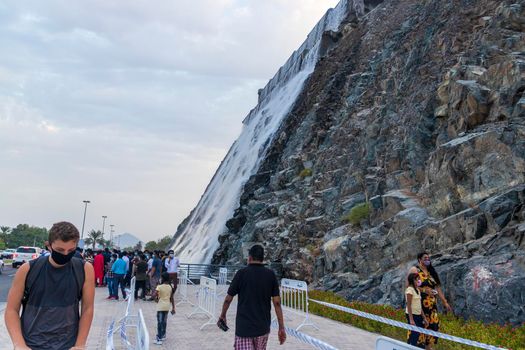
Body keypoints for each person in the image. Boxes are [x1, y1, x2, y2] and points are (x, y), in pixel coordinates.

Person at [5, 221, 95, 350]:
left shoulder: (84, 269)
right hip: (32, 343)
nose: (65, 254)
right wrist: (19, 344)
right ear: (49, 246)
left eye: (71, 250)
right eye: (60, 250)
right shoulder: (28, 269)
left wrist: (80, 344)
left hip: (68, 344)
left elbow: (87, 308)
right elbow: (11, 310)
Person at [219, 244, 286, 350]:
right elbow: (277, 303)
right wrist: (281, 327)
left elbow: (228, 299)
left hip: (244, 328)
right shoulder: (270, 275)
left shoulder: (241, 274)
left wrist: (223, 315)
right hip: (262, 328)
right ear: (262, 259)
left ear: (249, 258)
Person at [408, 252, 453, 349]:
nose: (428, 260)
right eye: (425, 258)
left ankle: (428, 347)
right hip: (419, 305)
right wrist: (424, 290)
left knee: (432, 327)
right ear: (419, 259)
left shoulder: (431, 272)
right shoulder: (415, 270)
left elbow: (438, 288)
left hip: (432, 307)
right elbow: (409, 287)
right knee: (419, 329)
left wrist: (445, 302)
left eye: (429, 258)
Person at [406, 272, 428, 348]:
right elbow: (408, 305)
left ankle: (411, 346)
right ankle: (410, 347)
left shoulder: (417, 290)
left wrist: (424, 317)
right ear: (413, 280)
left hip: (418, 315)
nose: (419, 280)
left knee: (417, 333)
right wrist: (411, 320)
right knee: (415, 333)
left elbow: (419, 305)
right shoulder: (409, 290)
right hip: (412, 315)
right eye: (417, 279)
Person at [154, 272, 176, 345]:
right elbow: (172, 298)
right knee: (164, 321)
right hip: (167, 306)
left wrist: (156, 299)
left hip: (160, 306)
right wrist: (173, 308)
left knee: (159, 322)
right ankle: (163, 334)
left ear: (162, 278)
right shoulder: (170, 287)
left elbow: (154, 294)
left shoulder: (159, 287)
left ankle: (159, 338)